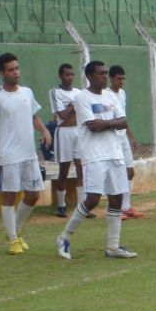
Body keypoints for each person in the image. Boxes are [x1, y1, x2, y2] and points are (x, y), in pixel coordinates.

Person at [55, 61, 137, 260]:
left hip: (114, 153)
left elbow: (124, 122)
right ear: (90, 76)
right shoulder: (81, 98)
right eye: (101, 74)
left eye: (106, 73)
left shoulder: (111, 96)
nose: (105, 76)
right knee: (92, 199)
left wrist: (107, 123)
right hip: (94, 155)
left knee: (117, 198)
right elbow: (92, 125)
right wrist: (112, 123)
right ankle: (64, 237)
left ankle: (113, 246)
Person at [0, 52, 52, 255]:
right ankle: (13, 239)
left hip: (29, 154)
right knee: (10, 196)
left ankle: (16, 230)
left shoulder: (27, 92)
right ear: (2, 73)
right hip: (8, 156)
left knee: (33, 194)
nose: (16, 72)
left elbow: (34, 116)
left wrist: (44, 130)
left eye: (17, 68)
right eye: (11, 69)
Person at [49, 63, 86, 218]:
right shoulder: (55, 92)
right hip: (63, 132)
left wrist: (72, 106)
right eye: (67, 75)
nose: (70, 77)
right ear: (61, 76)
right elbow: (62, 116)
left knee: (81, 168)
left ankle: (82, 206)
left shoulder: (79, 92)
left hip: (78, 131)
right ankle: (61, 205)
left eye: (72, 75)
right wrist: (72, 106)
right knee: (64, 170)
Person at [108, 65, 144, 220]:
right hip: (112, 139)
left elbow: (123, 118)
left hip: (123, 138)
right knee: (116, 174)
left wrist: (132, 138)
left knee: (130, 171)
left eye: (123, 79)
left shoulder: (122, 94)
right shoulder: (106, 95)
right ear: (111, 79)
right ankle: (116, 209)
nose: (121, 82)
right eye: (118, 79)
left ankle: (126, 206)